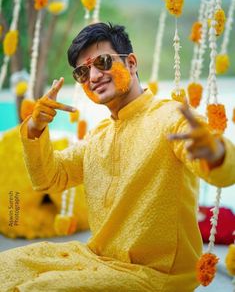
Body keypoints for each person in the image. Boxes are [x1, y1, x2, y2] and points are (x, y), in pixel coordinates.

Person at [0, 22, 234, 292]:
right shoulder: (99, 136)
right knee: (7, 265)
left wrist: (216, 154)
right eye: (83, 71)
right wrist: (34, 128)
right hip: (98, 259)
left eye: (102, 62)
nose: (94, 76)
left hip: (155, 275)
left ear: (131, 63)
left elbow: (223, 172)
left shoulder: (170, 118)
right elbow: (49, 179)